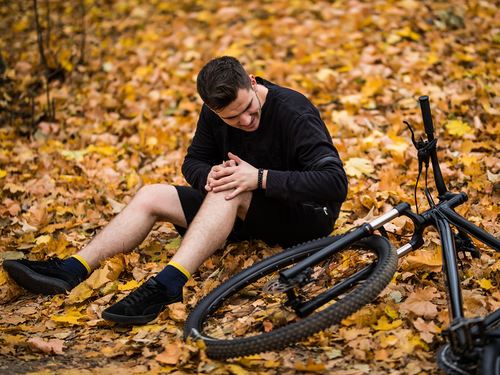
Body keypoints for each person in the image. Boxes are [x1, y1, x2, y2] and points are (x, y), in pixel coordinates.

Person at [3, 56, 348, 325]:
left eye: (247, 109)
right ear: (214, 110)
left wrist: (258, 179)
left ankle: (168, 285)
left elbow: (335, 184)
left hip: (307, 217)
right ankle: (72, 269)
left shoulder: (294, 111)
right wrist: (208, 174)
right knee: (152, 193)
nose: (244, 121)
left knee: (232, 187)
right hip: (246, 212)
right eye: (231, 118)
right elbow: (193, 162)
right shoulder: (215, 112)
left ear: (253, 83)